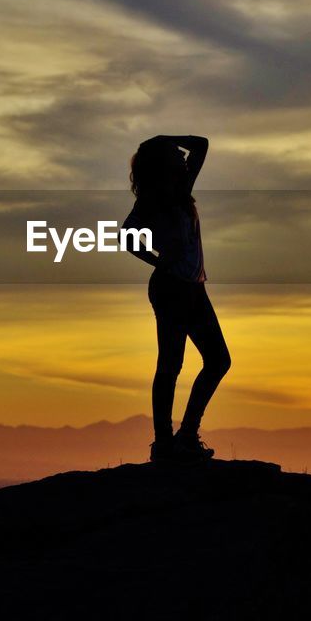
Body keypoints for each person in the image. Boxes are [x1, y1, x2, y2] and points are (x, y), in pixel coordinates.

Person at [123, 134, 231, 464]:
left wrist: (164, 138)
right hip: (171, 287)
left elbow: (200, 145)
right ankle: (165, 444)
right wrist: (158, 260)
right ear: (162, 161)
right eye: (173, 153)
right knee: (171, 365)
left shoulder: (182, 188)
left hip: (194, 287)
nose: (180, 156)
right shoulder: (154, 197)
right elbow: (126, 235)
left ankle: (185, 436)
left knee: (218, 361)